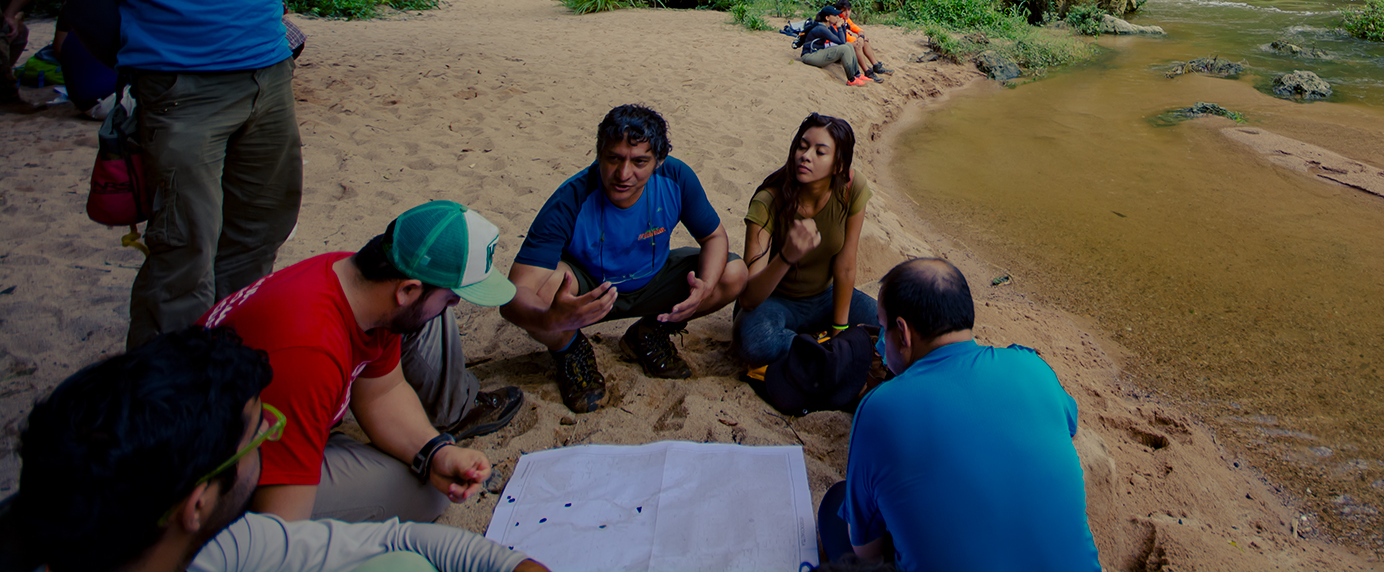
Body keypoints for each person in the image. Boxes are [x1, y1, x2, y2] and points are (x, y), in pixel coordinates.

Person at [66, 0, 304, 349]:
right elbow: (89, 5)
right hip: (183, 94)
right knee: (185, 238)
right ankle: (166, 378)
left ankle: (224, 340)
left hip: (268, 85)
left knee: (263, 220)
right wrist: (152, 67)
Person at [6, 326, 547, 572]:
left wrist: (514, 564)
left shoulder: (218, 543)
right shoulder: (222, 545)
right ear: (196, 504)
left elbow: (401, 540)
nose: (270, 439)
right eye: (258, 436)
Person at [200, 201, 526, 524]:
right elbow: (282, 530)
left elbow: (382, 392)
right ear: (408, 290)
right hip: (204, 480)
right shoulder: (311, 353)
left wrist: (435, 452)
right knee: (423, 496)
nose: (453, 305)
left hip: (256, 436)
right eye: (450, 297)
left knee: (426, 477)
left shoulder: (357, 286)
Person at [817, 259, 1101, 572]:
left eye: (883, 329)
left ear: (903, 333)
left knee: (836, 506)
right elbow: (1069, 420)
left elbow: (866, 552)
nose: (881, 342)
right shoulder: (1033, 368)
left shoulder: (879, 408)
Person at [501, 105, 748, 412]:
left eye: (639, 162)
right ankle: (569, 348)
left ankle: (649, 334)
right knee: (542, 289)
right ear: (598, 154)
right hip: (589, 291)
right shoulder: (571, 199)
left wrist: (705, 286)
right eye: (613, 158)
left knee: (732, 272)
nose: (623, 174)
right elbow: (514, 294)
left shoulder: (676, 178)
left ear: (658, 161)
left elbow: (714, 237)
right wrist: (550, 318)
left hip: (653, 280)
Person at [734, 112, 879, 366]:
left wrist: (840, 330)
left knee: (890, 325)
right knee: (754, 339)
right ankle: (822, 354)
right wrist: (786, 257)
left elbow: (845, 266)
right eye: (802, 147)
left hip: (826, 296)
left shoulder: (851, 190)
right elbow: (748, 298)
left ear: (838, 165)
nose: (806, 156)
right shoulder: (768, 202)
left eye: (820, 152)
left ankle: (816, 350)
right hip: (775, 303)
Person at [793, 6, 870, 86]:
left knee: (848, 45)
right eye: (835, 15)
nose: (838, 17)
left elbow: (843, 41)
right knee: (844, 49)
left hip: (817, 52)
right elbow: (840, 42)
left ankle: (857, 74)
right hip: (809, 56)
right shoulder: (821, 28)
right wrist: (839, 27)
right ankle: (851, 80)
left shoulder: (829, 26)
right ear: (827, 18)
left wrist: (843, 26)